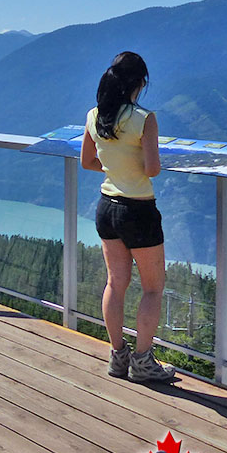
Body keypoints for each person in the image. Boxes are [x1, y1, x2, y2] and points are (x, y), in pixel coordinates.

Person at [80, 51, 175, 382]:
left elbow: (87, 162)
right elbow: (152, 169)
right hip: (138, 209)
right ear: (139, 83)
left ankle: (117, 357)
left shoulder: (95, 116)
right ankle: (143, 363)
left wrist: (115, 167)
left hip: (107, 206)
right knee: (152, 288)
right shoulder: (144, 119)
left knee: (115, 283)